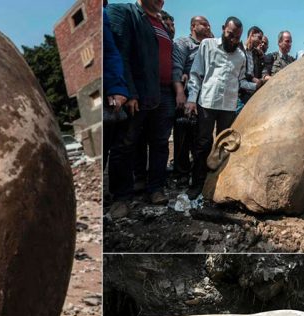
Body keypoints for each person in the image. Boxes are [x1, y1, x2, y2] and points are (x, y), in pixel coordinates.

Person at [106, 0, 175, 218]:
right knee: (125, 144)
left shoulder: (160, 23)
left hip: (163, 92)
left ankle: (155, 188)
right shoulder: (124, 12)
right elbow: (119, 53)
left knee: (160, 143)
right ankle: (121, 197)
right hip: (139, 92)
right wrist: (130, 92)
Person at [185, 16, 260, 197]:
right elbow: (196, 74)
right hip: (207, 103)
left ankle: (218, 184)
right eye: (230, 34)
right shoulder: (207, 46)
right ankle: (197, 183)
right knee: (203, 143)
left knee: (225, 146)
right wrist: (192, 99)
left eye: (237, 37)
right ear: (223, 29)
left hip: (228, 107)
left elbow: (241, 81)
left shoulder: (241, 56)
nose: (233, 40)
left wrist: (257, 86)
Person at [171, 15, 212, 185]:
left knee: (201, 137)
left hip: (205, 97)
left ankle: (199, 172)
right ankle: (181, 173)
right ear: (193, 26)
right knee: (182, 136)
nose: (208, 26)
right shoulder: (183, 43)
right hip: (187, 94)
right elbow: (177, 67)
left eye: (208, 24)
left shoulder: (210, 45)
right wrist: (180, 90)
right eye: (203, 23)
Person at [103, 2, 130, 169]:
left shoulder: (105, 13)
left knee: (114, 145)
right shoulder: (106, 13)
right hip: (108, 89)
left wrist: (116, 87)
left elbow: (111, 51)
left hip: (111, 90)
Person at [237, 25, 265, 113]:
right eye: (259, 38)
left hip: (252, 95)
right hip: (239, 95)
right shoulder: (238, 49)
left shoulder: (256, 54)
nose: (260, 42)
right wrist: (253, 79)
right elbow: (237, 72)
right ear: (252, 34)